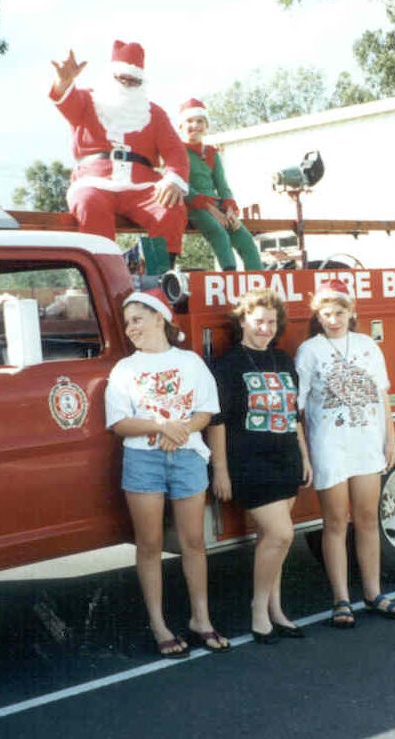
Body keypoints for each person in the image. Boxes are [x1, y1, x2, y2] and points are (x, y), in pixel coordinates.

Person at [105, 288, 231, 657]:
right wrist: (162, 427)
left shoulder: (190, 362)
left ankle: (200, 620)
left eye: (138, 319)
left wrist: (183, 431)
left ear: (159, 317)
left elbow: (207, 411)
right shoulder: (125, 369)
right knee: (150, 545)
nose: (131, 328)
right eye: (127, 323)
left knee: (194, 542)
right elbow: (119, 423)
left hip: (188, 457)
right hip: (143, 461)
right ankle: (159, 625)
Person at [295, 279, 395, 628]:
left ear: (351, 312)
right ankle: (341, 599)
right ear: (318, 315)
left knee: (368, 518)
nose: (333, 319)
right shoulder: (310, 350)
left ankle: (373, 592)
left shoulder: (366, 346)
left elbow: (382, 395)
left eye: (340, 312)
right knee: (335, 522)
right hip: (330, 446)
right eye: (326, 313)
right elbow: (297, 408)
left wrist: (391, 438)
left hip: (365, 443)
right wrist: (304, 453)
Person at [208, 289, 312, 644]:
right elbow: (218, 421)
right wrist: (220, 470)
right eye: (258, 321)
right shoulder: (227, 365)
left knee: (275, 541)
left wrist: (305, 456)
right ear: (243, 321)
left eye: (271, 322)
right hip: (250, 463)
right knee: (281, 534)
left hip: (286, 459)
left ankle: (276, 610)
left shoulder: (283, 361)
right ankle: (257, 611)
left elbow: (294, 415)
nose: (265, 328)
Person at [50, 41, 189, 264]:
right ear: (110, 76)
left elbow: (175, 152)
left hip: (142, 187)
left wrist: (173, 179)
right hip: (94, 181)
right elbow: (64, 99)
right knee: (88, 203)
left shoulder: (154, 113)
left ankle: (158, 276)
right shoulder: (87, 100)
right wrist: (64, 81)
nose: (127, 84)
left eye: (133, 81)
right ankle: (107, 276)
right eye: (121, 78)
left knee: (171, 207)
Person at [177, 98, 262, 271]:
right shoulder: (177, 151)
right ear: (180, 126)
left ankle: (259, 285)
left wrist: (229, 209)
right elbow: (183, 186)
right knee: (219, 234)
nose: (195, 125)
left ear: (206, 126)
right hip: (192, 205)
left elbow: (222, 185)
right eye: (190, 121)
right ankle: (229, 278)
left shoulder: (211, 153)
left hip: (217, 205)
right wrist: (213, 211)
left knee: (244, 238)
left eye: (200, 121)